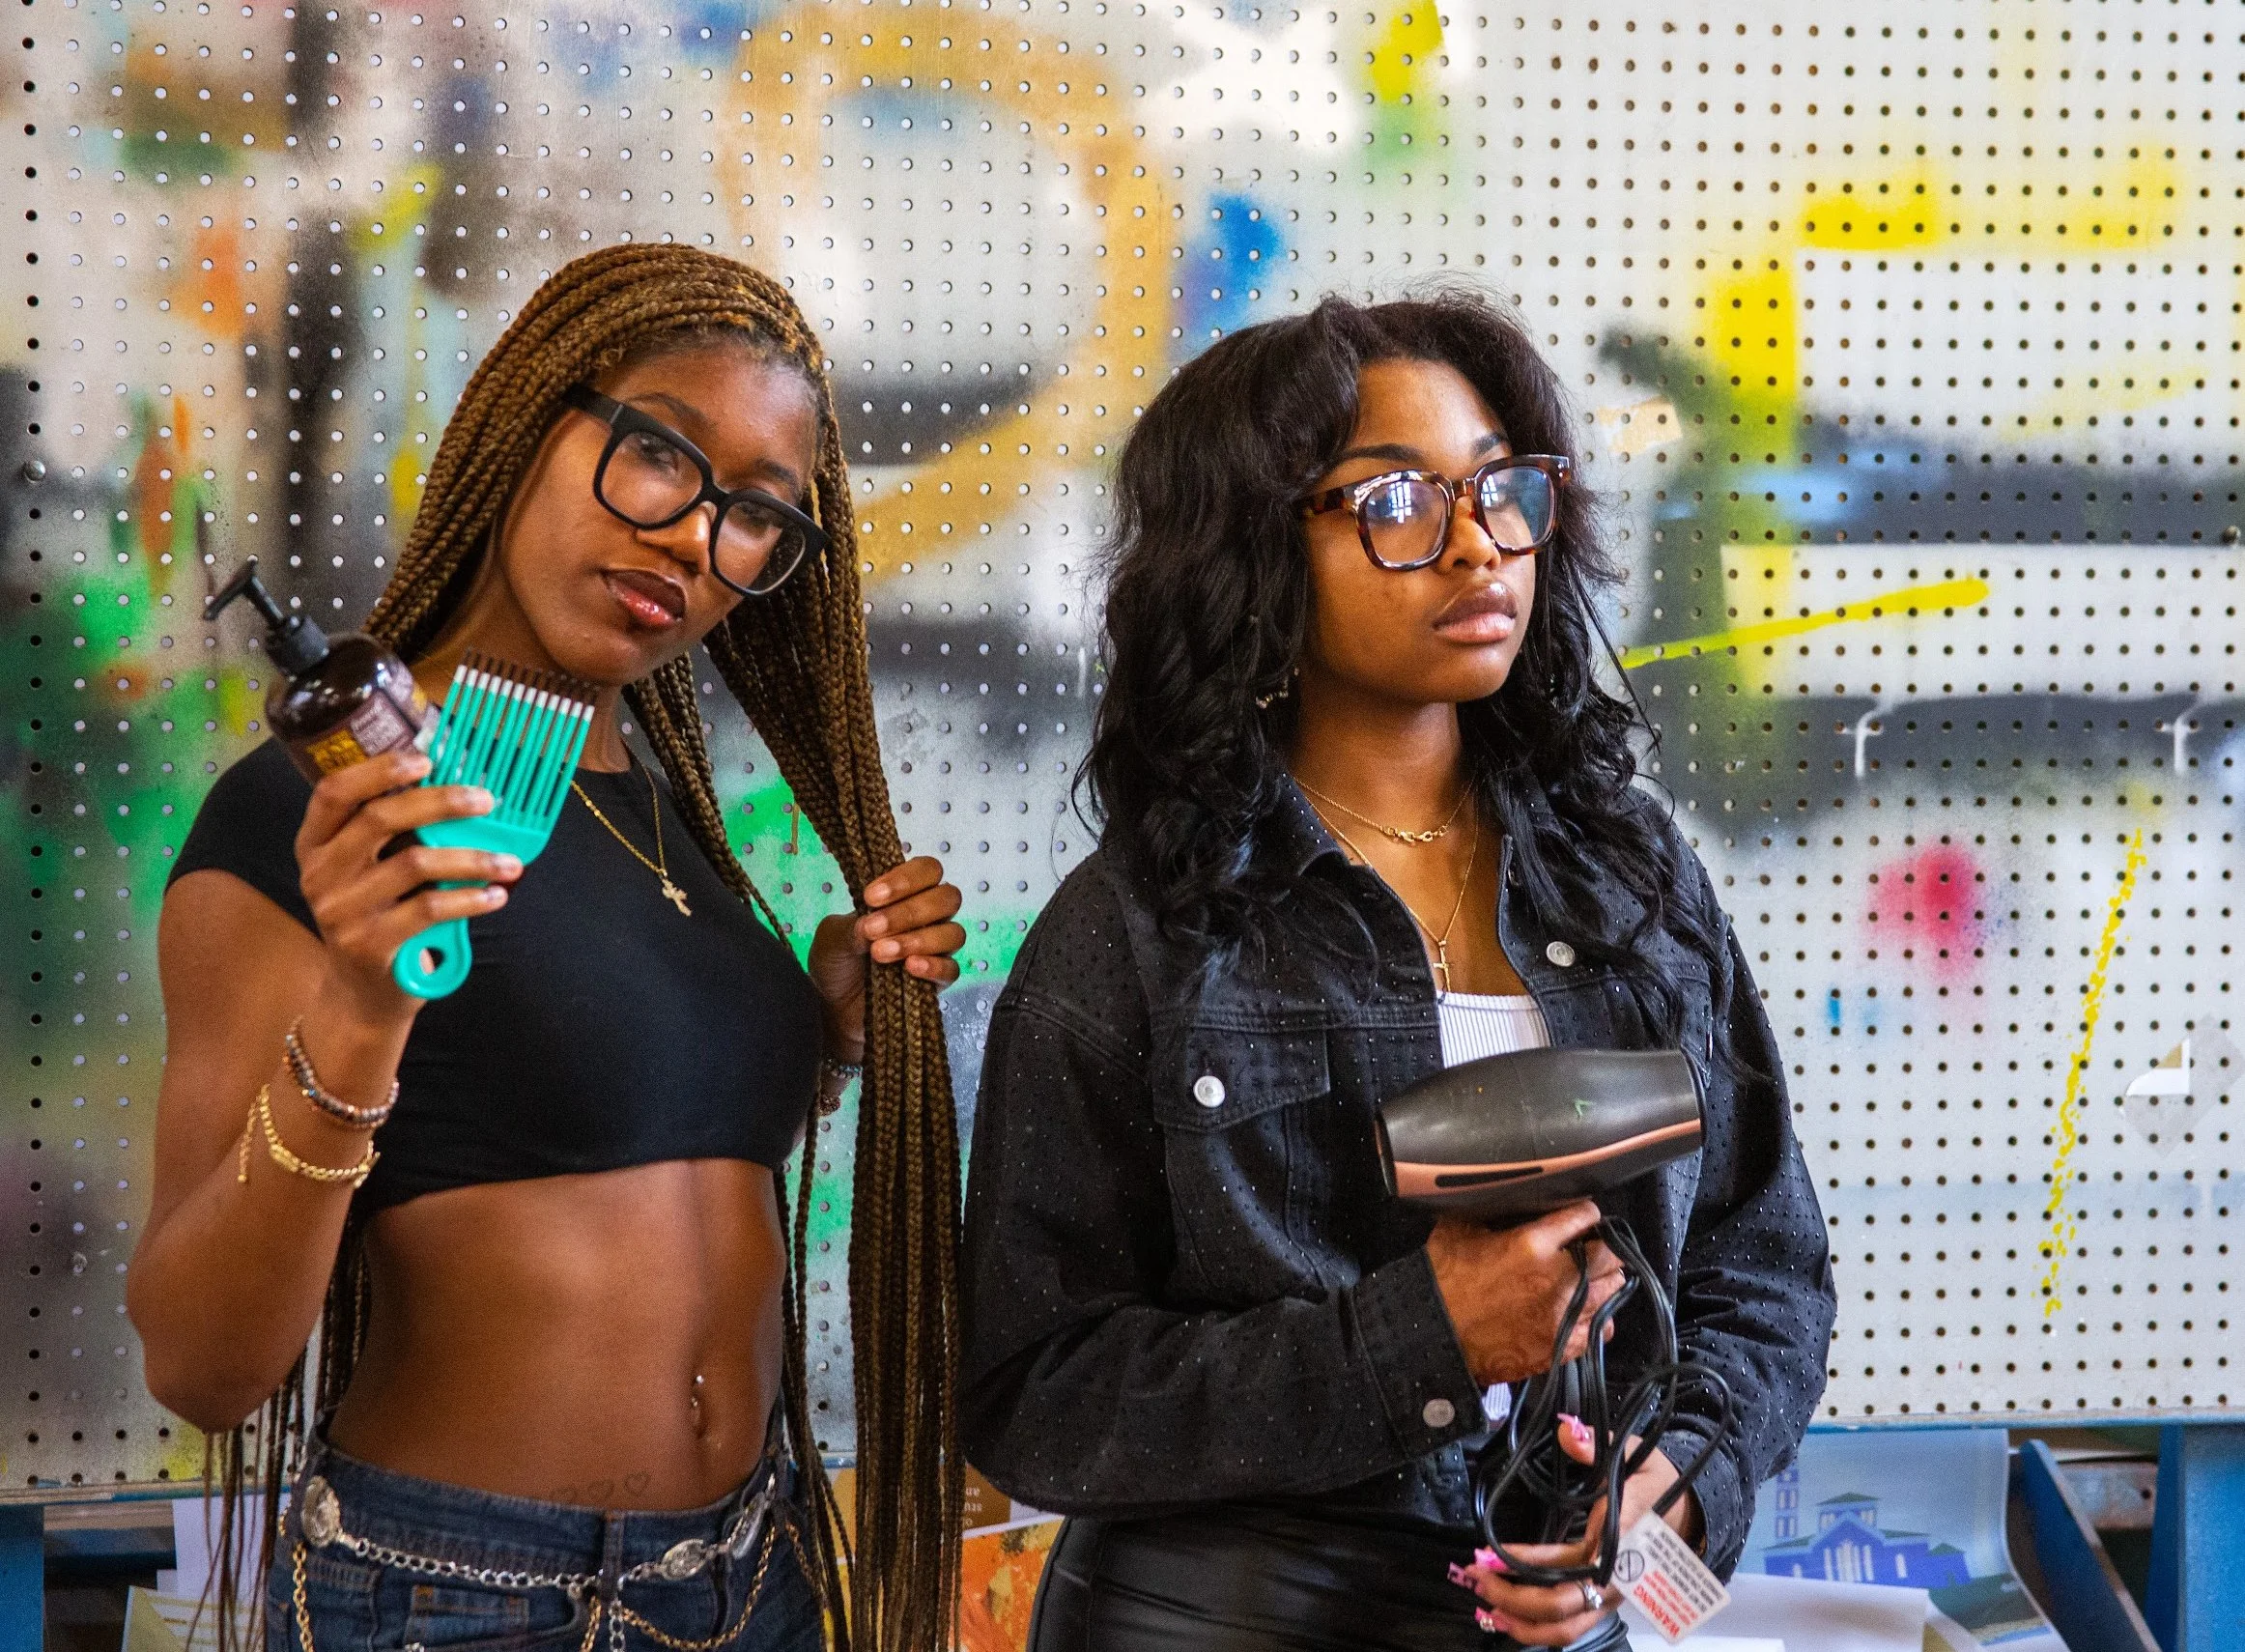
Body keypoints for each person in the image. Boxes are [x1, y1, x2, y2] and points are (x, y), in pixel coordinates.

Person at [959, 291, 1836, 1651]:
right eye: (1396, 502)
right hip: (1222, 1620)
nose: (1476, 543)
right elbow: (1039, 1390)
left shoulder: (1632, 875)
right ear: (1256, 546)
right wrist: (1416, 1337)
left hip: (1569, 1611)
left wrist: (1671, 1494)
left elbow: (1760, 1267)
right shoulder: (1138, 923)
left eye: (1502, 489)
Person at [131, 244, 968, 1652]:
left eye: (759, 518)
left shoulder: (668, 811)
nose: (696, 543)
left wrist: (816, 1038)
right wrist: (358, 1003)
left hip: (752, 1581)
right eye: (658, 454)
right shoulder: (324, 814)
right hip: (458, 1599)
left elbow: (597, 1115)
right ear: (527, 418)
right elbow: (205, 1362)